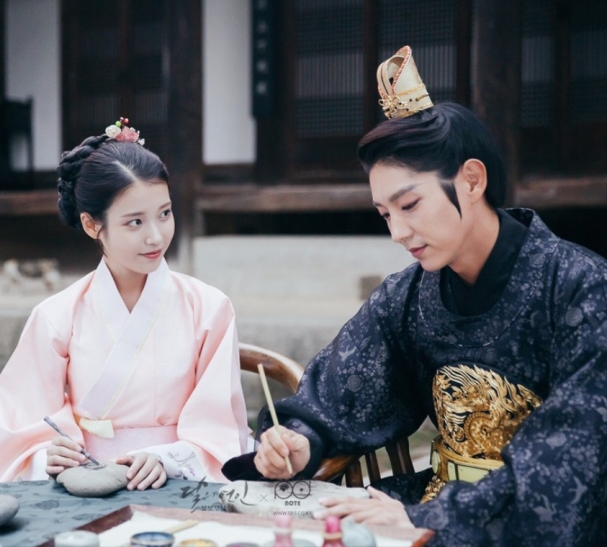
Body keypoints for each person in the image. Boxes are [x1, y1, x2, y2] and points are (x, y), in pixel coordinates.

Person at [243, 47, 607, 545]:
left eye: (410, 204)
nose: (397, 232)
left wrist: (432, 519)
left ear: (472, 180)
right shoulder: (407, 296)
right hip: (437, 502)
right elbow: (336, 396)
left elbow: (571, 458)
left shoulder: (583, 287)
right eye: (385, 215)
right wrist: (298, 443)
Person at [0, 118, 252, 489]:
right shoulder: (56, 316)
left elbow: (218, 423)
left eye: (165, 213)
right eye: (135, 222)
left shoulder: (209, 308)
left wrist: (168, 458)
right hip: (86, 480)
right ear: (92, 225)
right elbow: (21, 422)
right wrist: (47, 455)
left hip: (178, 477)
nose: (156, 236)